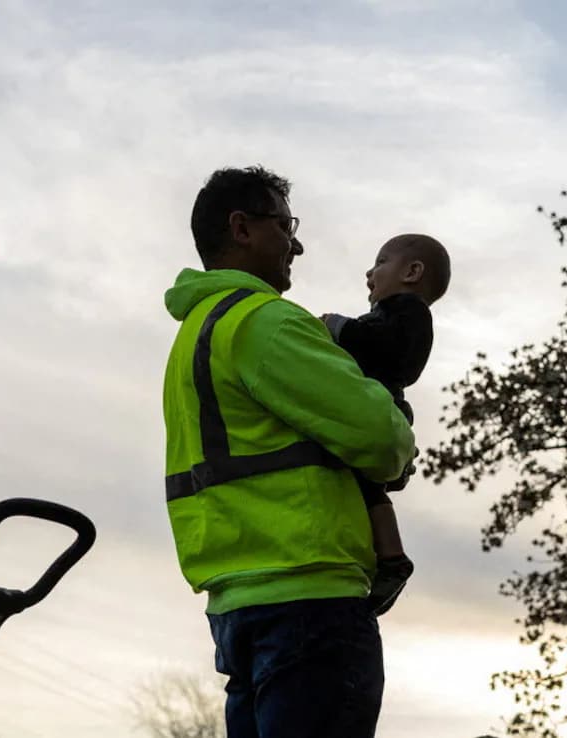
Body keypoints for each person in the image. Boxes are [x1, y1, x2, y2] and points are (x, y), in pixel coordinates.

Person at [162, 165, 415, 738]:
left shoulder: (195, 335)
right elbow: (384, 441)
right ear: (242, 227)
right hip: (311, 602)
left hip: (237, 607)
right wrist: (395, 418)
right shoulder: (266, 324)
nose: (296, 242)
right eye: (285, 224)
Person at [320, 233, 451, 616]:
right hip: (371, 408)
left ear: (412, 272)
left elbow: (395, 355)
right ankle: (385, 555)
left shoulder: (408, 313)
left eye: (380, 262)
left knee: (369, 488)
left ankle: (392, 557)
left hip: (384, 408)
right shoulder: (389, 315)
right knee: (365, 490)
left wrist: (339, 328)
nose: (369, 272)